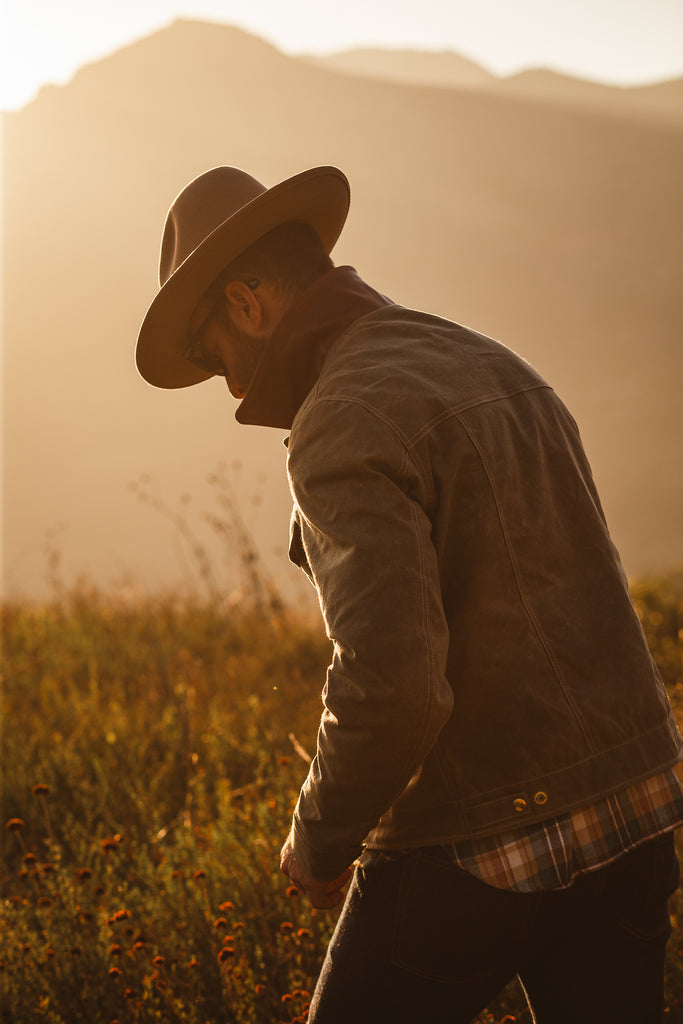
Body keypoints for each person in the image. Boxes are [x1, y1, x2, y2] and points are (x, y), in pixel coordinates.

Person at [137, 165, 683, 1022]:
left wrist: (319, 840)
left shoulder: (339, 418)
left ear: (247, 302)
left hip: (486, 842)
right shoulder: (488, 357)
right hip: (636, 805)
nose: (232, 388)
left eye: (212, 356)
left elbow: (393, 683)